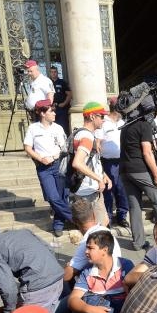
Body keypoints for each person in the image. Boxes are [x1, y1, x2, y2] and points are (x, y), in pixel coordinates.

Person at [63, 231, 133, 313]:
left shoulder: (125, 267)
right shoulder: (87, 272)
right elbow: (72, 300)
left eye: (90, 248)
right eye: (86, 248)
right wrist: (91, 310)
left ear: (104, 250)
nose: (86, 252)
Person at [23, 98, 71, 236]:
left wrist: (54, 157)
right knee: (52, 197)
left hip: (58, 165)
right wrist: (40, 158)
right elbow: (27, 147)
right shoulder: (33, 128)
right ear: (43, 113)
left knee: (61, 197)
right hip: (43, 168)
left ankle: (58, 224)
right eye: (51, 111)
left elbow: (64, 148)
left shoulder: (58, 128)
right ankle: (76, 219)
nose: (55, 113)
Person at [63, 196, 122, 288]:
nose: (87, 251)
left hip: (102, 288)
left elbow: (66, 276)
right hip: (115, 281)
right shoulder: (105, 231)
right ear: (94, 214)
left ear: (74, 221)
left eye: (90, 248)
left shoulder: (87, 243)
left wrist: (69, 267)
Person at [73, 101, 112, 229]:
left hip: (89, 189)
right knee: (97, 227)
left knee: (102, 222)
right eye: (101, 116)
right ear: (92, 116)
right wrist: (98, 178)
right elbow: (77, 163)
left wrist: (103, 174)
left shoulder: (85, 134)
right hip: (87, 191)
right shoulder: (86, 136)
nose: (104, 120)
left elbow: (91, 161)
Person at [97, 100, 130, 228]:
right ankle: (109, 217)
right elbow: (98, 142)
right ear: (117, 109)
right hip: (108, 162)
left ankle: (122, 216)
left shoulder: (123, 123)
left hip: (122, 161)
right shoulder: (104, 123)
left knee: (122, 190)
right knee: (108, 191)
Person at [48, 65, 72, 135]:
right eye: (52, 72)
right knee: (52, 128)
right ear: (50, 73)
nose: (53, 73)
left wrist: (64, 103)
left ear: (57, 73)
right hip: (52, 109)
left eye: (55, 72)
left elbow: (70, 94)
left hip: (61, 109)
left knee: (63, 127)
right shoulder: (48, 83)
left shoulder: (62, 82)